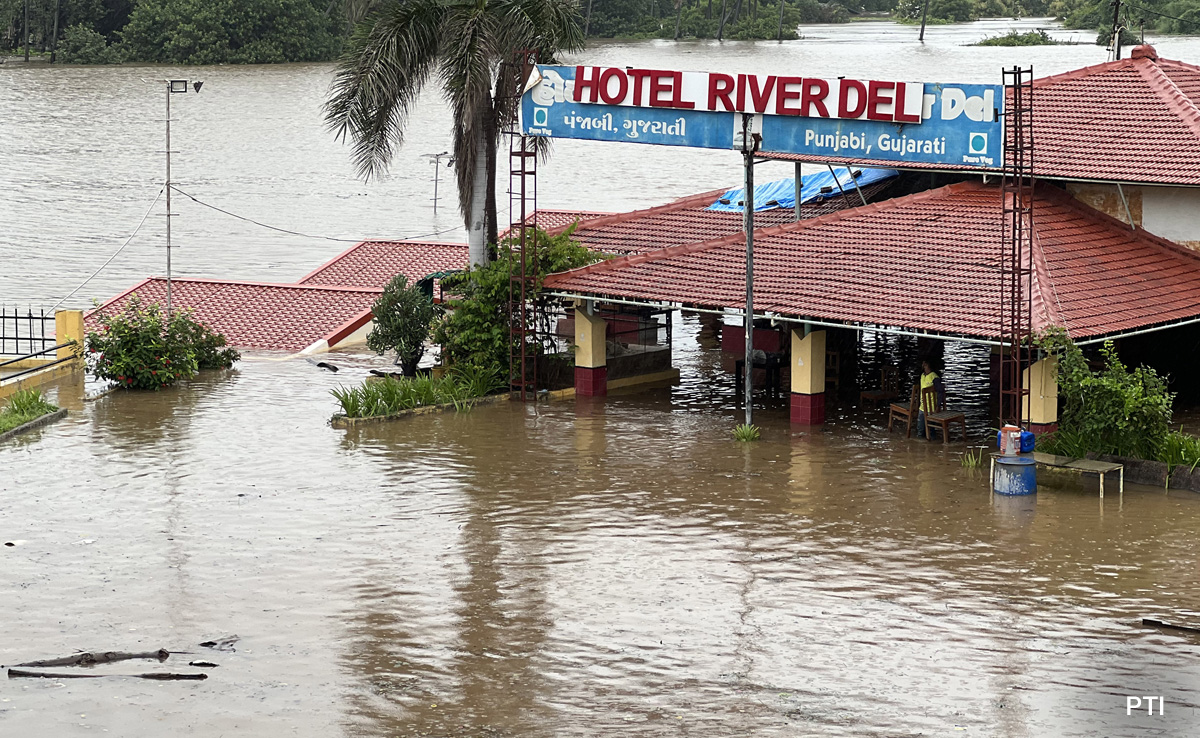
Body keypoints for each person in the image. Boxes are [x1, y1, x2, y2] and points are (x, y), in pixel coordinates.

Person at [916, 360, 944, 439]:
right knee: (920, 429)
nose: (923, 365)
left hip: (931, 408)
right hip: (922, 407)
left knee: (931, 430)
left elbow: (940, 391)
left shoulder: (934, 377)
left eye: (925, 364)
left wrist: (938, 406)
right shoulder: (922, 375)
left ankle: (932, 443)